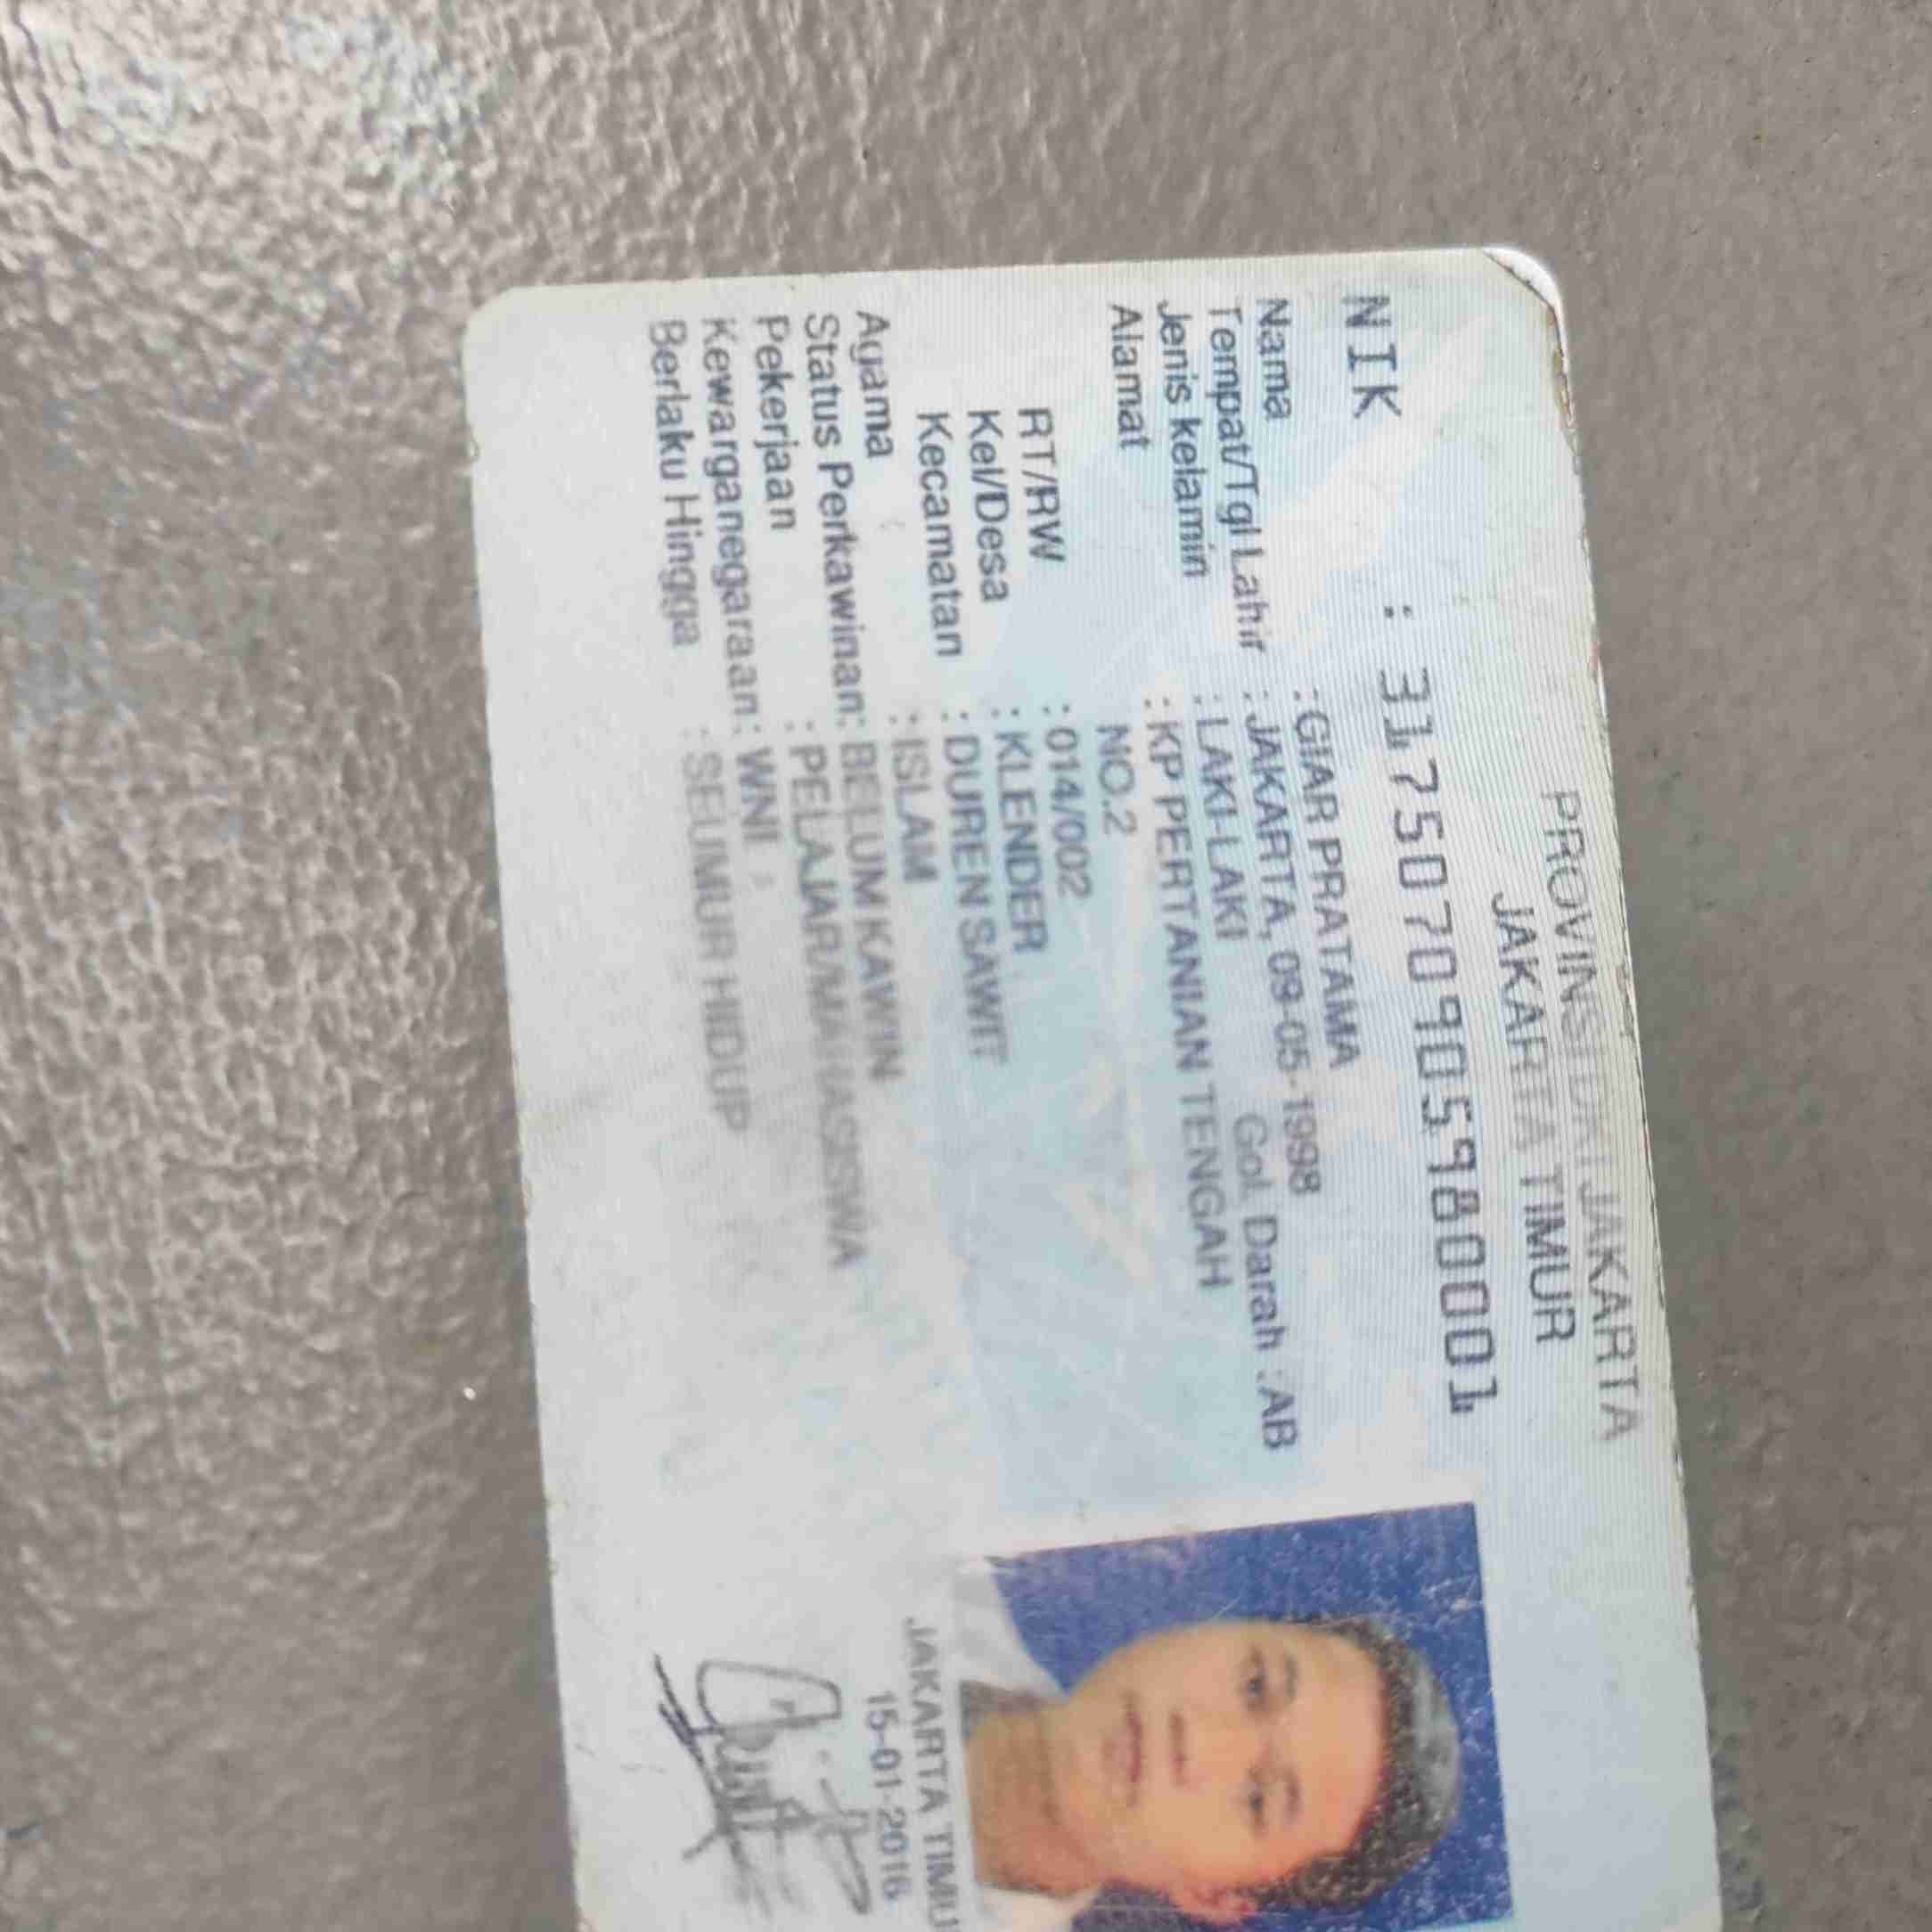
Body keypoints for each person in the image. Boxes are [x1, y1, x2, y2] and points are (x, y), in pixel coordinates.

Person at [954, 1563, 1461, 1928]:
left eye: (1257, 1799)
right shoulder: (938, 1571)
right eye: (1255, 1686)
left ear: (1214, 1896)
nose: (1195, 1739)